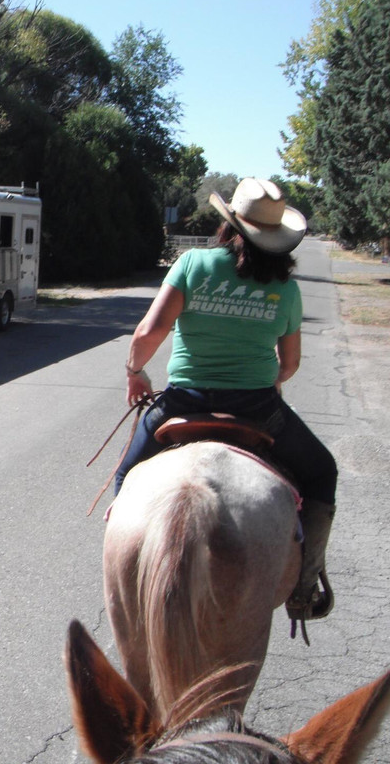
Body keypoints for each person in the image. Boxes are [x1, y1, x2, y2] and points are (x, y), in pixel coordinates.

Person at [114, 177, 338, 623]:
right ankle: (304, 585)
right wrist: (266, 385)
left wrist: (136, 372)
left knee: (126, 477)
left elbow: (147, 334)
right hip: (257, 406)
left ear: (229, 222)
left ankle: (124, 575)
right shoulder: (286, 289)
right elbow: (289, 364)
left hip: (182, 401)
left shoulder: (194, 263)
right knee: (321, 472)